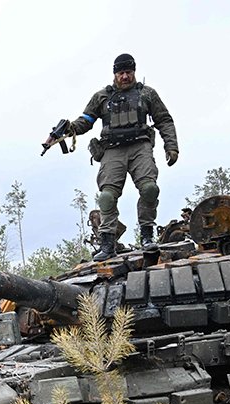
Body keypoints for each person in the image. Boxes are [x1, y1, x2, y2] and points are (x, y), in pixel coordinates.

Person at [67, 53, 179, 261]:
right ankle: (108, 243)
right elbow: (86, 120)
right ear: (115, 74)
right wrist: (70, 128)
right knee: (107, 196)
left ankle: (147, 235)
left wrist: (171, 147)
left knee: (149, 188)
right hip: (112, 149)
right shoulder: (102, 97)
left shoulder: (147, 94)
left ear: (134, 72)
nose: (125, 77)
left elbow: (164, 120)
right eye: (121, 73)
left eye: (129, 72)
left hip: (140, 146)